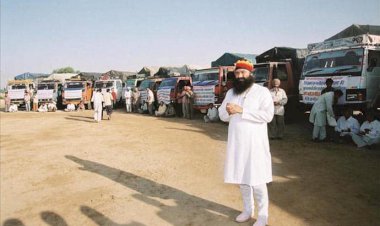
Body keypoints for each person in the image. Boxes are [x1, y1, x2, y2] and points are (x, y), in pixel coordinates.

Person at [218, 59, 274, 226]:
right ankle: (248, 210)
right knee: (242, 179)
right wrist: (229, 111)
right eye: (237, 73)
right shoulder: (231, 93)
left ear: (251, 74)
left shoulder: (262, 92)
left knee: (257, 180)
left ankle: (263, 215)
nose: (240, 76)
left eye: (243, 73)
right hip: (237, 143)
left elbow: (268, 116)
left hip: (256, 145)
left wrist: (242, 110)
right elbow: (222, 115)